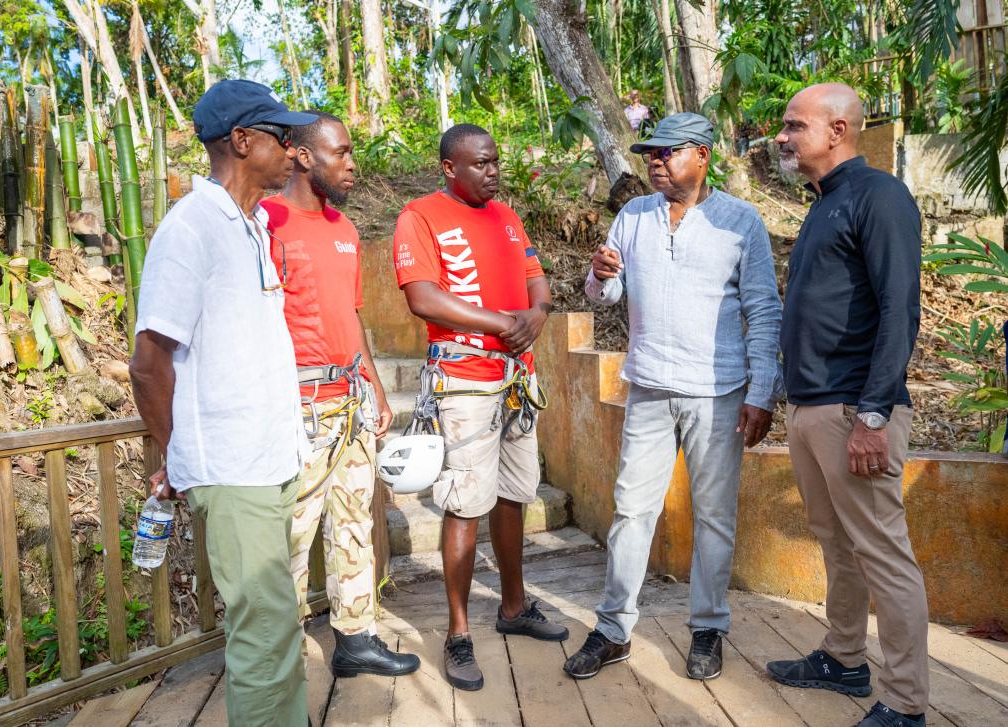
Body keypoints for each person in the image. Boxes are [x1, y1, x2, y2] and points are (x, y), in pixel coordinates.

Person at [563, 112, 782, 683]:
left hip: (719, 393)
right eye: (650, 154)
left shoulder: (742, 221)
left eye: (666, 153)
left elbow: (763, 309)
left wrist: (763, 390)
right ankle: (613, 630)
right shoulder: (634, 216)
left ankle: (708, 628)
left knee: (714, 517)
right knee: (632, 511)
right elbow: (606, 296)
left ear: (702, 155)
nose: (654, 162)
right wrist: (599, 273)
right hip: (650, 388)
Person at [129, 79, 316, 727]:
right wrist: (178, 455)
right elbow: (149, 362)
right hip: (235, 470)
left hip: (270, 460)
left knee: (276, 627)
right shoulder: (191, 228)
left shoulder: (253, 224)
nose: (294, 150)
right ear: (242, 140)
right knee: (264, 636)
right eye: (281, 136)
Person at [764, 83, 928, 727]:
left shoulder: (879, 196)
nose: (782, 136)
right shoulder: (825, 203)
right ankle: (843, 658)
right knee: (838, 544)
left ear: (837, 130)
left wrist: (874, 414)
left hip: (855, 412)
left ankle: (907, 702)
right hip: (813, 409)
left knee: (883, 553)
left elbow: (899, 311)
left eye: (793, 125)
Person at [392, 123, 568, 692]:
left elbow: (536, 285)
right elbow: (423, 297)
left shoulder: (508, 218)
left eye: (496, 162)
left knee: (515, 494)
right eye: (481, 164)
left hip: (518, 378)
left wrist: (534, 318)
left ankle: (513, 607)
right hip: (465, 380)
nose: (493, 172)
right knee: (465, 502)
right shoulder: (420, 216)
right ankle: (458, 633)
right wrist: (502, 324)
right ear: (450, 166)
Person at [260, 111, 419, 679]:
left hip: (350, 396)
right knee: (291, 534)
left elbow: (351, 316)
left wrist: (375, 389)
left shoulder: (345, 230)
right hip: (298, 405)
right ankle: (282, 657)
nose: (352, 165)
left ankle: (356, 640)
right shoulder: (266, 222)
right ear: (303, 156)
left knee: (354, 524)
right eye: (341, 153)